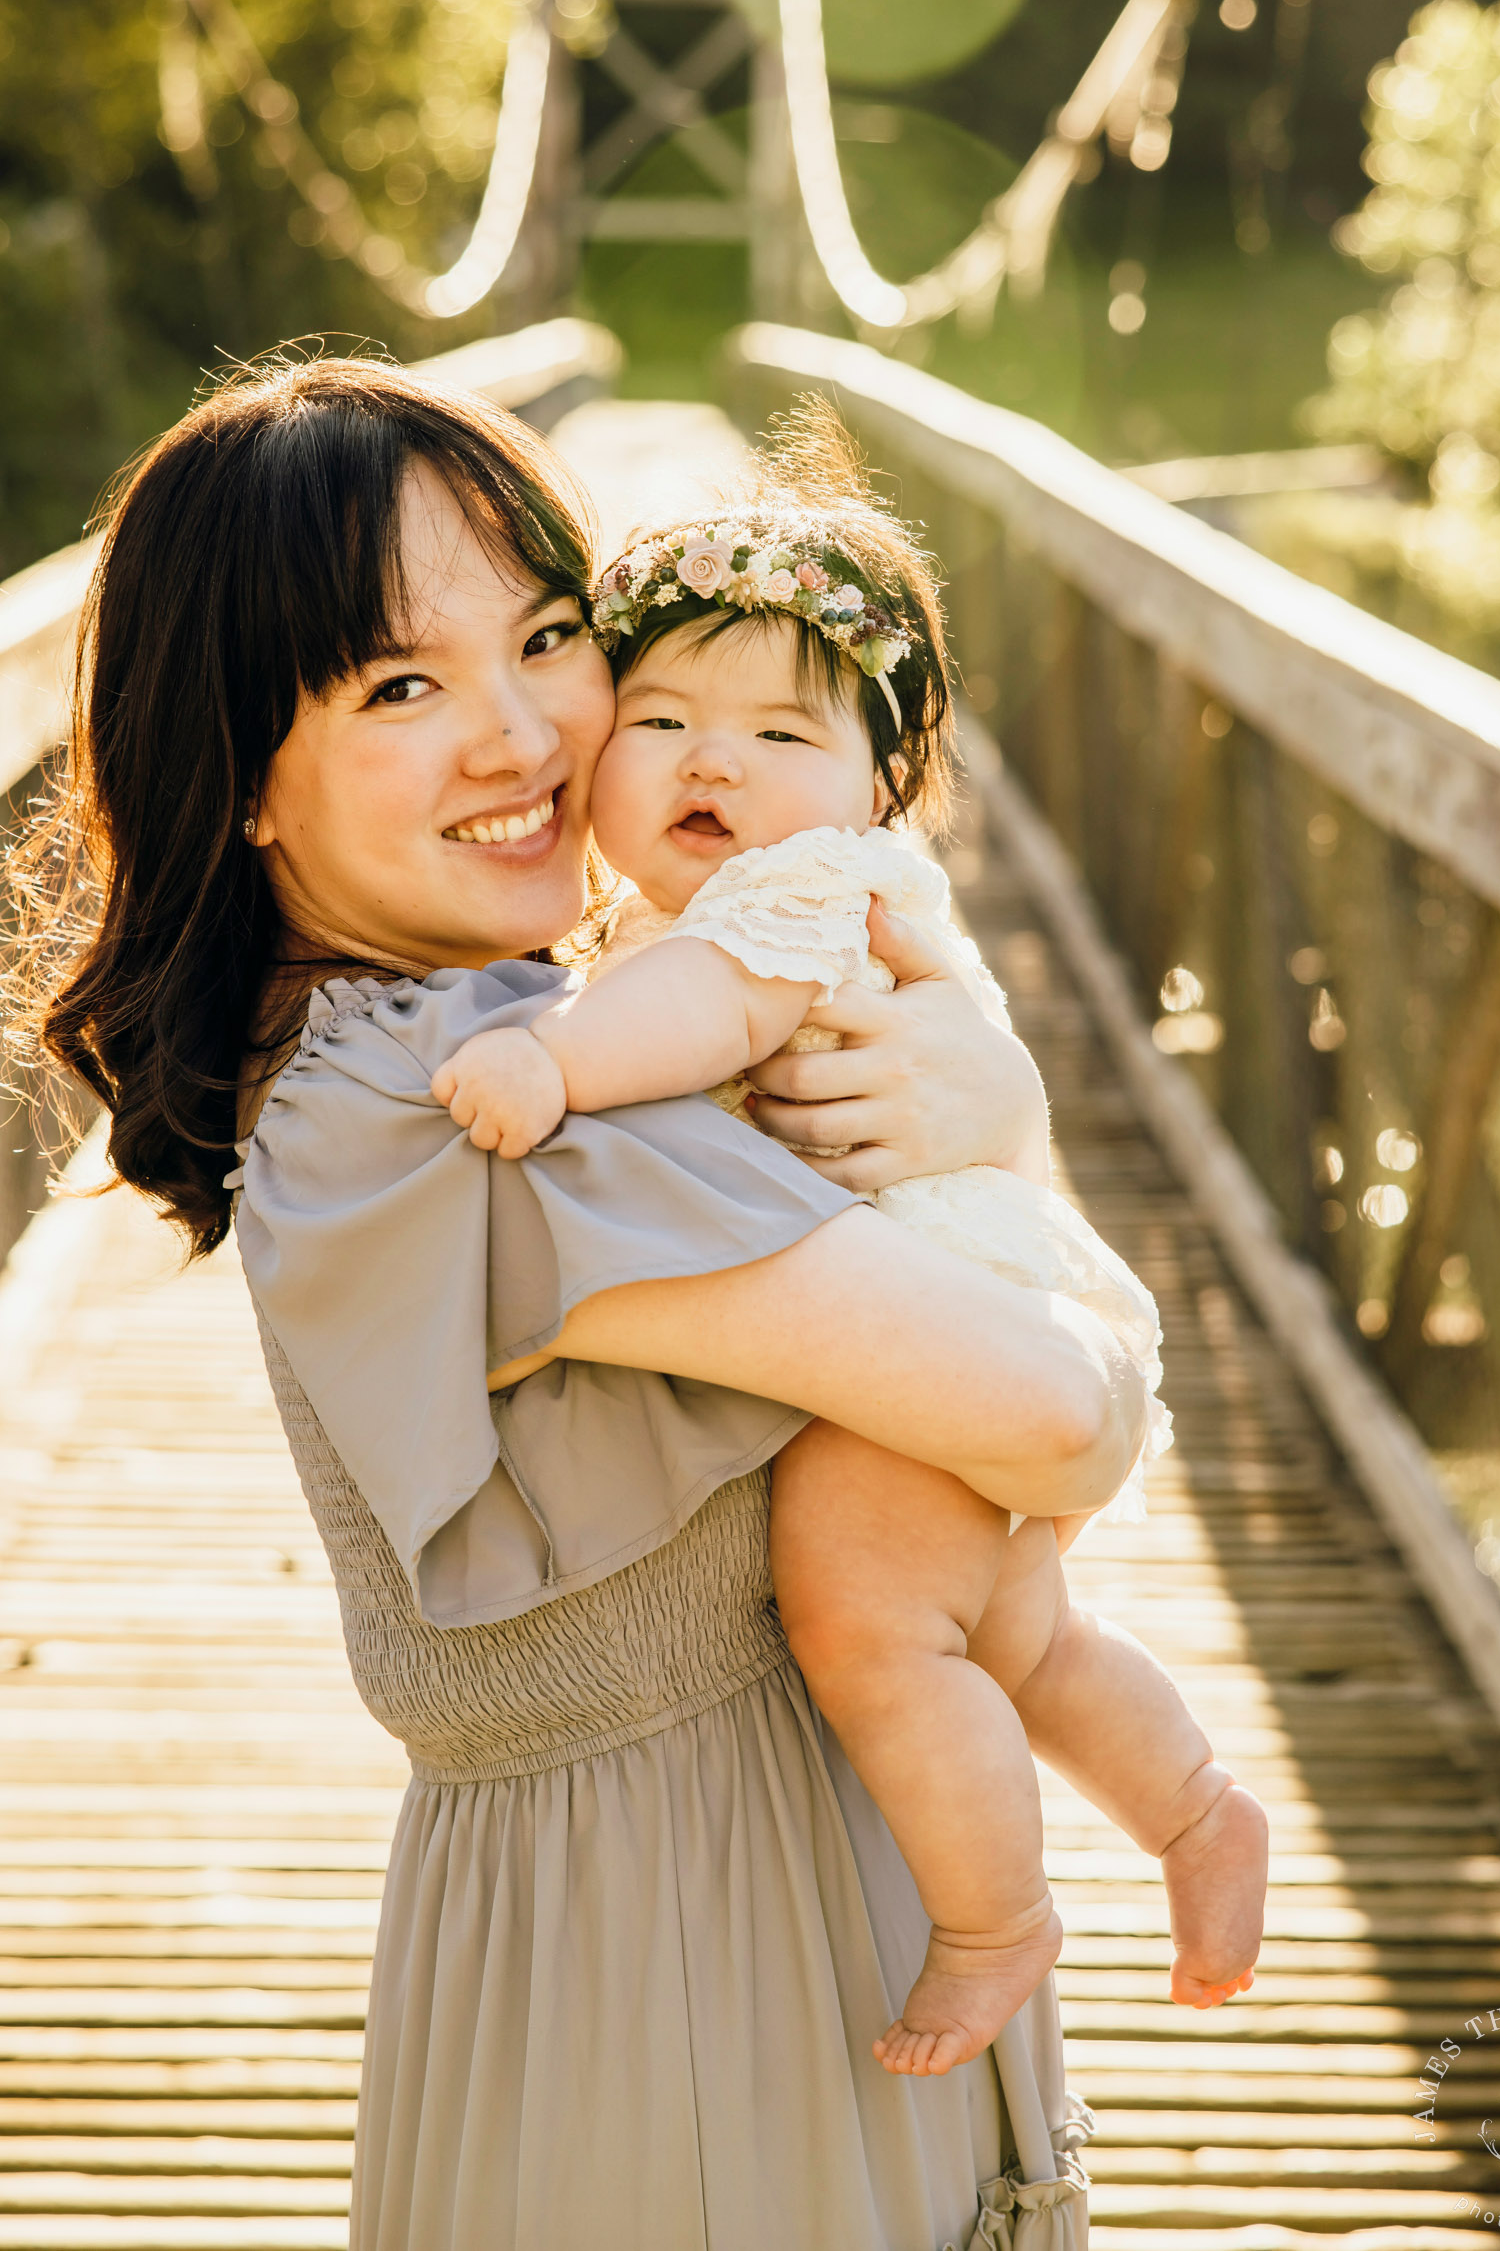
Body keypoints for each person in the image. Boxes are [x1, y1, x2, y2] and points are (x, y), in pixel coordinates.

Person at [4, 353, 1156, 2251]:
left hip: (650, 1919)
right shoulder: (477, 1112)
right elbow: (1059, 1417)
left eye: (548, 635)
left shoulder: (499, 1043)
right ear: (248, 790)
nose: (524, 736)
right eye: (397, 686)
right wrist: (1007, 1126)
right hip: (701, 1970)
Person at [429, 407, 1268, 2079]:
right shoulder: (828, 881)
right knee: (1019, 1635)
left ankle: (995, 1921)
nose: (708, 763)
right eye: (657, 718)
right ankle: (1194, 1809)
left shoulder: (791, 900)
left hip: (938, 1314)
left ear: (883, 783)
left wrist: (552, 1056)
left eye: (774, 732)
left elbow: (701, 1006)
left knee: (869, 1626)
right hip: (976, 1280)